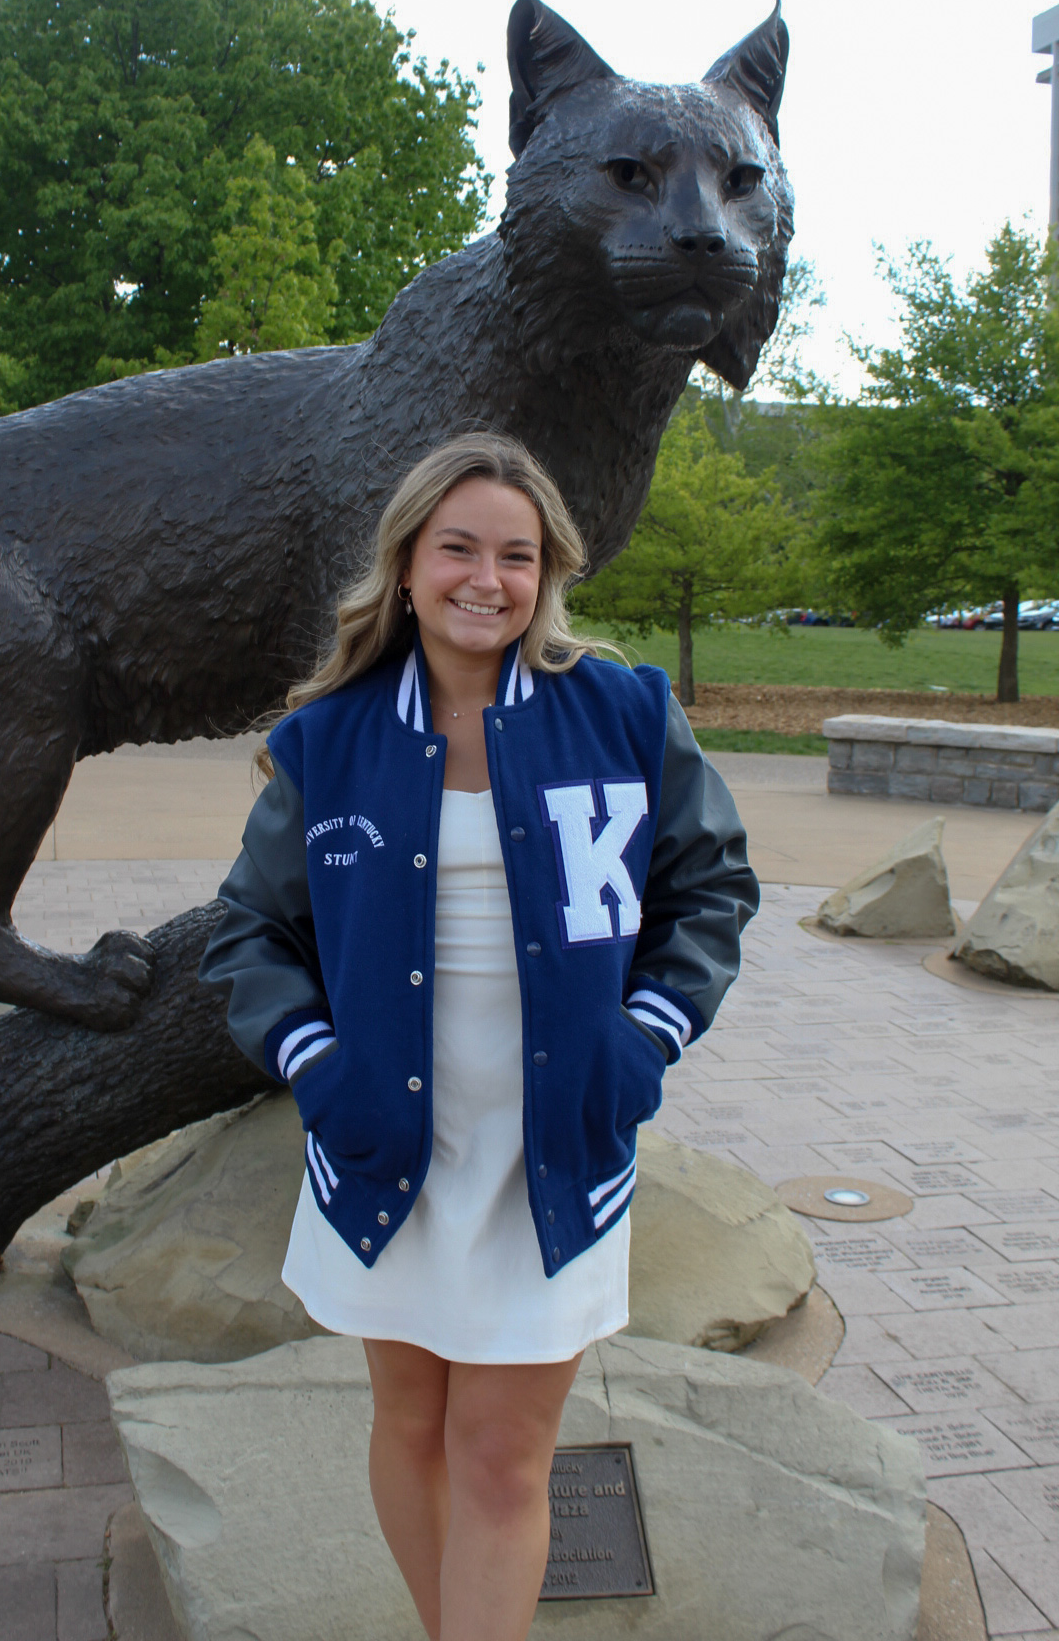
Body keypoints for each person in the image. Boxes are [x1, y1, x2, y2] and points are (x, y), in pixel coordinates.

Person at [201, 433, 758, 1641]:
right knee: (408, 1424)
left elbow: (708, 885)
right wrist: (316, 1067)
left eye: (516, 555)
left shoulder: (619, 711)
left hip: (551, 1143)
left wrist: (642, 1040)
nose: (485, 579)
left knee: (504, 1455)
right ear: (405, 565)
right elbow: (247, 930)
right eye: (457, 547)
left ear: (547, 573)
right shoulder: (331, 737)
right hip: (381, 1136)